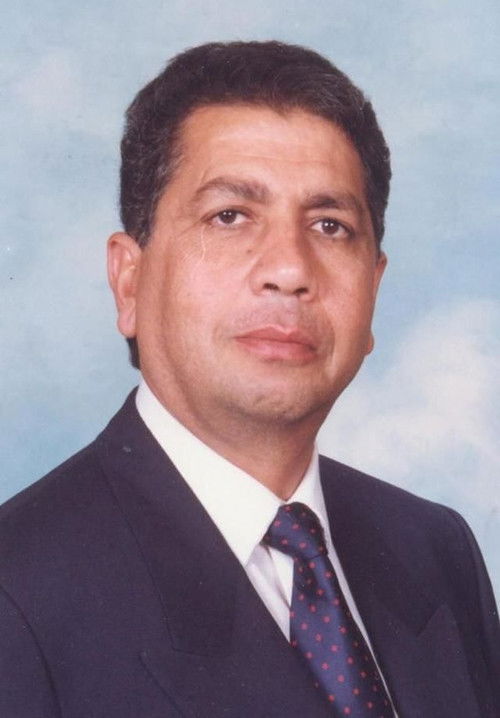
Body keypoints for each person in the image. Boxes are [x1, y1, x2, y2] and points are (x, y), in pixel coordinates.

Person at [1, 41, 499, 718]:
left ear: (374, 290)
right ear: (129, 281)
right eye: (230, 216)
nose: (289, 269)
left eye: (330, 226)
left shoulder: (435, 550)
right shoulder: (19, 590)